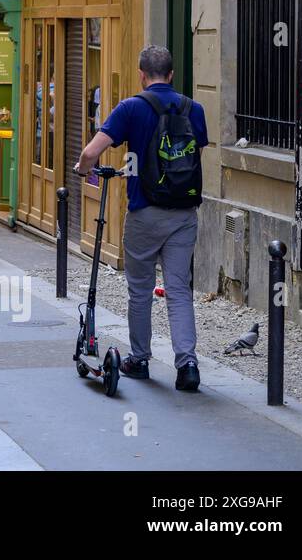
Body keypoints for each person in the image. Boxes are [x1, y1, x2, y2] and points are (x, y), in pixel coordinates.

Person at [74, 44, 209, 392]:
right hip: (184, 214)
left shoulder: (131, 108)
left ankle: (140, 358)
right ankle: (187, 365)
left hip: (145, 212)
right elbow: (193, 155)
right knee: (178, 289)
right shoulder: (193, 109)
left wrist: (83, 169)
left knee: (140, 289)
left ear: (141, 75)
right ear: (171, 74)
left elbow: (91, 151)